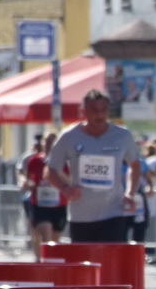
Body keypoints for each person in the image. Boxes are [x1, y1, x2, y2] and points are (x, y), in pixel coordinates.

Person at [45, 89, 141, 244]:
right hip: (81, 216)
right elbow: (49, 170)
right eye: (94, 110)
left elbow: (135, 165)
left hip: (113, 213)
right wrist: (65, 188)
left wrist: (130, 193)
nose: (100, 115)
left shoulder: (122, 136)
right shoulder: (69, 136)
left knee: (108, 264)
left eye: (104, 111)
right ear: (83, 111)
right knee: (86, 265)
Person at [23, 131, 66, 250]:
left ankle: (52, 262)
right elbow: (27, 178)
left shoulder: (63, 162)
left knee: (55, 239)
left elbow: (69, 180)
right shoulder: (34, 161)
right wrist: (29, 183)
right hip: (40, 204)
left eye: (52, 142)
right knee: (46, 238)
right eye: (47, 142)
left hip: (58, 205)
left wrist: (56, 175)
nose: (49, 145)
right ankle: (44, 263)